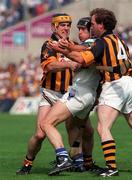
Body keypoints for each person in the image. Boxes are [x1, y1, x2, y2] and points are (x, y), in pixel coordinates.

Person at [52, 8, 132, 177]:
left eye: (93, 23)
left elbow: (82, 59)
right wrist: (71, 47)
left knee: (103, 128)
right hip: (129, 84)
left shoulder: (102, 42)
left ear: (101, 25)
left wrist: (62, 50)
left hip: (114, 85)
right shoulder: (119, 40)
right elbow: (87, 50)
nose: (91, 26)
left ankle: (111, 167)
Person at [16, 13, 79, 175]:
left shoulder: (74, 45)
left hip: (67, 94)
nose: (66, 28)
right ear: (54, 27)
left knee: (75, 126)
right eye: (62, 25)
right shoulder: (49, 45)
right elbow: (48, 66)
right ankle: (28, 162)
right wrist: (69, 64)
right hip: (49, 93)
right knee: (39, 134)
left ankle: (76, 160)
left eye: (68, 25)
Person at [40, 17, 101, 176]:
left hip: (80, 93)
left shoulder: (91, 45)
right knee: (80, 128)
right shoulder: (95, 45)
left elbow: (79, 58)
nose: (79, 32)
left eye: (83, 29)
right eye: (78, 29)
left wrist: (62, 49)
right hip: (82, 92)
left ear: (92, 31)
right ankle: (81, 162)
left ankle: (63, 157)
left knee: (46, 123)